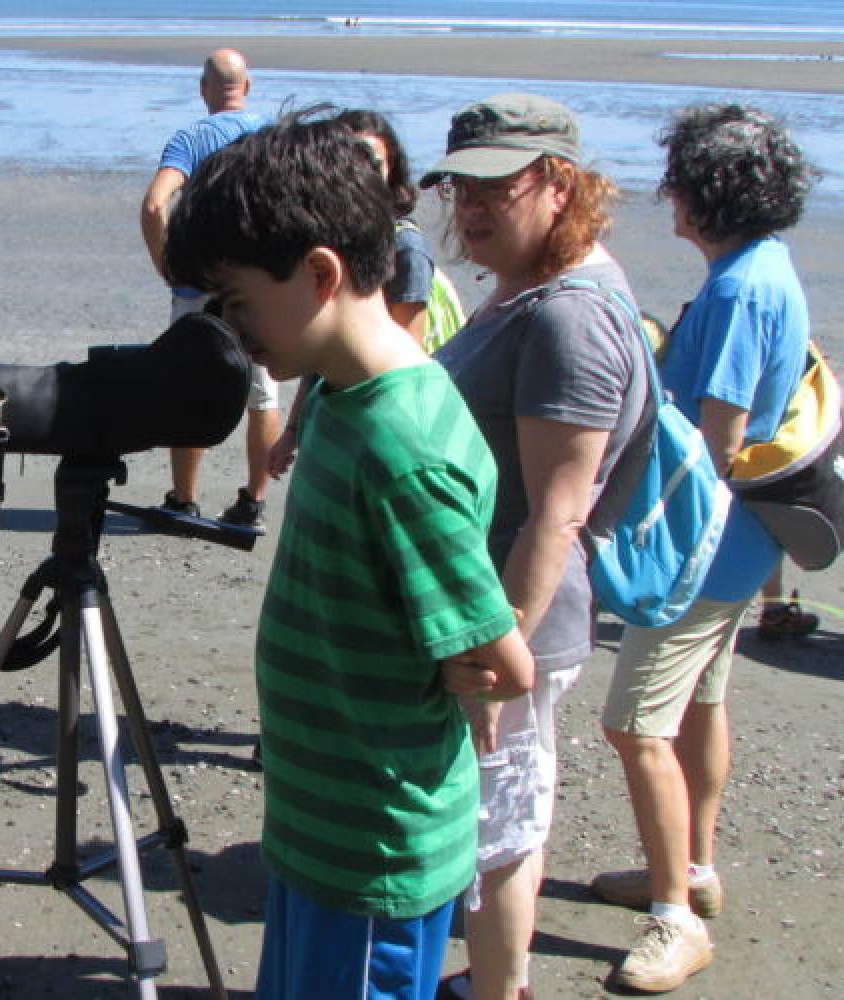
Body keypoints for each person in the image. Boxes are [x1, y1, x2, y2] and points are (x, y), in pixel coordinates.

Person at [164, 113, 535, 1000]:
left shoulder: (402, 446)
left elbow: (504, 659)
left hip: (374, 847)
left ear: (321, 274)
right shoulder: (342, 389)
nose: (231, 327)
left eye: (238, 301)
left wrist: (475, 670)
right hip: (319, 824)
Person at [419, 94, 649, 1000]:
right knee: (495, 814)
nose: (469, 208)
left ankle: (499, 989)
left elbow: (556, 513)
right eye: (458, 188)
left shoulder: (569, 318)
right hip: (494, 614)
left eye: (494, 188)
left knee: (501, 827)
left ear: (558, 183)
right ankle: (491, 980)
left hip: (515, 624)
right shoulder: (527, 288)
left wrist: (496, 649)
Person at [591, 104, 816, 993]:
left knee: (633, 723)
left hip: (702, 555)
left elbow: (710, 444)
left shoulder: (734, 291)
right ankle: (692, 869)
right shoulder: (769, 267)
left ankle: (675, 921)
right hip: (746, 546)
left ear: (707, 196)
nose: (668, 196)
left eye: (678, 182)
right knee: (698, 705)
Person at [140, 47, 280, 528]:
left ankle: (184, 498)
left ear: (203, 90)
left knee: (190, 387)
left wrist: (167, 264)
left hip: (200, 281)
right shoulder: (273, 138)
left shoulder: (191, 138)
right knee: (262, 394)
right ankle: (254, 501)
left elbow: (156, 204)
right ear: (248, 87)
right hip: (260, 282)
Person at [268, 108, 439, 479]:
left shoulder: (405, 250)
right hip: (326, 416)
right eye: (347, 160)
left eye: (371, 161)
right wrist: (293, 431)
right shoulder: (335, 243)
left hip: (371, 432)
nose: (359, 172)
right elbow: (320, 352)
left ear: (392, 169)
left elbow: (406, 366)